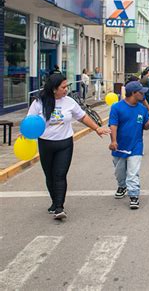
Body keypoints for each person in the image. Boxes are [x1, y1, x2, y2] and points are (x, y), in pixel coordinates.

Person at [27, 74, 110, 219]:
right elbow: (30, 121)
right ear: (54, 89)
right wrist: (25, 133)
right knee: (50, 175)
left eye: (67, 86)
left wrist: (97, 128)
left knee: (59, 175)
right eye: (63, 87)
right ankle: (54, 201)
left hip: (64, 143)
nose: (66, 90)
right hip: (45, 143)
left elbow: (82, 116)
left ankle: (59, 207)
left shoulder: (69, 102)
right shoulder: (39, 103)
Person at [109, 81, 149, 210]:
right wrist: (113, 141)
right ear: (133, 93)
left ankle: (134, 195)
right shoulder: (117, 107)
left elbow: (145, 126)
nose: (143, 95)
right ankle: (122, 185)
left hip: (136, 145)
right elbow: (113, 125)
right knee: (119, 173)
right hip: (119, 145)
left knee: (133, 172)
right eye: (141, 92)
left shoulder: (142, 108)